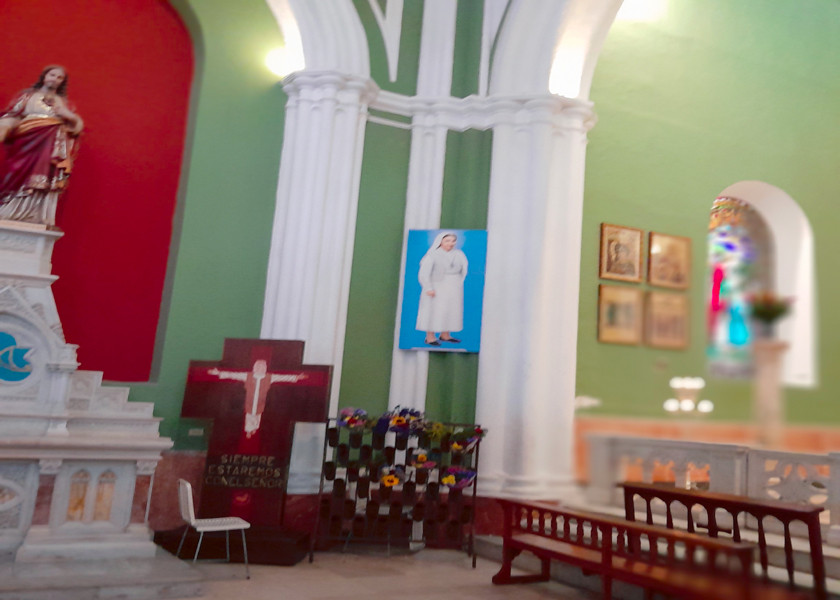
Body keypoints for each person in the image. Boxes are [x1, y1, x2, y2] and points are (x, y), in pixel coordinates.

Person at [0, 65, 83, 226]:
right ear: (44, 76)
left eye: (60, 78)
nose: (55, 79)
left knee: (45, 174)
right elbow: (13, 115)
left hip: (52, 143)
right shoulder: (27, 97)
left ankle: (36, 211)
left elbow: (75, 127)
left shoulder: (63, 103)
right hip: (27, 141)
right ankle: (10, 208)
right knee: (17, 172)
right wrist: (5, 126)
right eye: (52, 74)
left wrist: (69, 116)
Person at [415, 231, 468, 346]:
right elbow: (424, 273)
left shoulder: (459, 254)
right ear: (441, 241)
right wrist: (428, 287)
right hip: (437, 286)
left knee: (450, 310)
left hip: (454, 287)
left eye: (453, 241)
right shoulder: (433, 255)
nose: (451, 243)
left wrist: (458, 282)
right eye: (447, 240)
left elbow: (464, 269)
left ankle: (445, 335)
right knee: (434, 310)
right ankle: (430, 337)